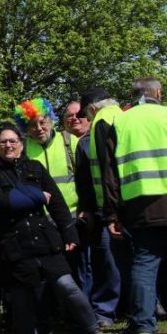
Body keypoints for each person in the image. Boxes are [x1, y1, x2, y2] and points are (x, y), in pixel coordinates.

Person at [0, 123, 98, 334]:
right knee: (22, 304)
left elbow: (57, 203)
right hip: (14, 245)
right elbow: (1, 203)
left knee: (67, 286)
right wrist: (37, 196)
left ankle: (93, 329)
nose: (8, 145)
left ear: (21, 144)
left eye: (12, 141)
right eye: (3, 142)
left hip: (45, 240)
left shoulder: (35, 167)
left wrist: (69, 232)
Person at [104, 77, 167, 334]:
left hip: (140, 205)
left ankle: (143, 325)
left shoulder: (121, 121)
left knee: (145, 264)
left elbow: (110, 174)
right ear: (158, 93)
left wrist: (112, 212)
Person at [72, 90, 122, 328]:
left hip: (114, 209)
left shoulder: (109, 127)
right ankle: (106, 311)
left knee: (121, 262)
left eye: (85, 113)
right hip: (108, 210)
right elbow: (85, 181)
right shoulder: (84, 143)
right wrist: (88, 210)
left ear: (92, 108)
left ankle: (124, 309)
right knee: (107, 262)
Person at [14, 98, 79, 215]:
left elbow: (86, 179)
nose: (39, 128)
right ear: (26, 128)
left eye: (42, 122)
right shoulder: (22, 148)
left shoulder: (69, 141)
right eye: (33, 125)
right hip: (40, 218)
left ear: (51, 121)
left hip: (72, 214)